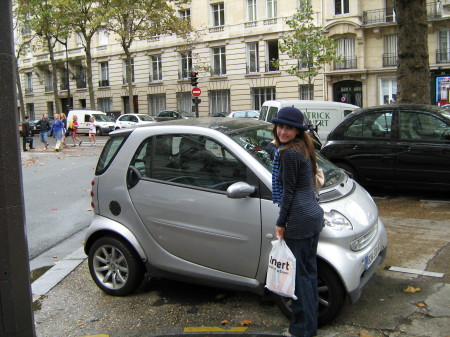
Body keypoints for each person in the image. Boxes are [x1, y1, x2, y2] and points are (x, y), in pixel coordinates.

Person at [266, 107, 324, 337]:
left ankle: (301, 331)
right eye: (280, 126)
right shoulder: (303, 148)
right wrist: (274, 145)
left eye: (288, 127)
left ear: (298, 131)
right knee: (308, 276)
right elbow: (277, 153)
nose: (282, 131)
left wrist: (281, 223)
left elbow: (288, 193)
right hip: (313, 216)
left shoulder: (288, 154)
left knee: (298, 282)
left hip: (298, 220)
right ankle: (310, 326)